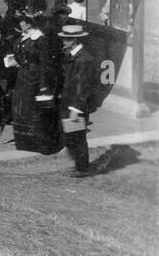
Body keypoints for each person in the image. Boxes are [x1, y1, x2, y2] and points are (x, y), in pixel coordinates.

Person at [9, 12, 64, 155]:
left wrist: (43, 85)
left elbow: (44, 63)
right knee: (21, 107)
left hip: (34, 78)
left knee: (32, 109)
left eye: (22, 22)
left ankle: (38, 142)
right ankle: (24, 141)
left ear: (29, 24)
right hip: (22, 76)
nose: (19, 24)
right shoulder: (23, 37)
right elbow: (19, 54)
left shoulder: (40, 40)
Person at [58, 23, 96, 177]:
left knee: (78, 137)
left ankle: (82, 168)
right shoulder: (74, 56)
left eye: (66, 39)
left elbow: (82, 87)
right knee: (72, 136)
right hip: (69, 102)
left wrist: (75, 108)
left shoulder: (83, 60)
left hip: (76, 105)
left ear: (74, 40)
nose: (63, 42)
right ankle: (80, 165)